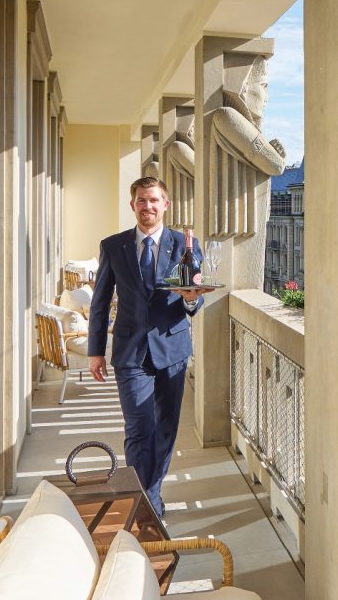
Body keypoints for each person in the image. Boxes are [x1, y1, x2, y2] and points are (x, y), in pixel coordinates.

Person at [87, 177, 211, 518]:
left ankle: (147, 494)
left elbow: (194, 298)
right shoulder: (113, 246)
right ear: (133, 205)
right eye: (142, 201)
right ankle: (148, 504)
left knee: (166, 429)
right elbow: (100, 301)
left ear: (165, 205)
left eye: (154, 200)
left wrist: (189, 302)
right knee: (139, 428)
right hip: (130, 353)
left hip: (172, 349)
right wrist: (95, 350)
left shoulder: (185, 244)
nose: (148, 207)